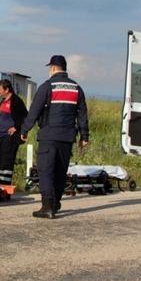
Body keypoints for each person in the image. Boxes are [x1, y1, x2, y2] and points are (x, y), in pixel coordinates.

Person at [20, 55, 89, 219]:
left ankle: (47, 206)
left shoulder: (47, 86)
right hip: (67, 137)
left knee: (46, 171)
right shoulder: (76, 88)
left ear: (52, 68)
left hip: (49, 136)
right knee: (60, 171)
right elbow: (82, 114)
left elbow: (34, 111)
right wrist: (84, 136)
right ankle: (56, 203)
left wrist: (24, 130)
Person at [0, 79, 29, 193]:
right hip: (2, 136)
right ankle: (1, 186)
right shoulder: (3, 101)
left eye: (0, 89)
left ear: (7, 89)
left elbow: (25, 117)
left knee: (7, 161)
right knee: (0, 161)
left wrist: (17, 127)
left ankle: (6, 188)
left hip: (10, 137)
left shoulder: (16, 101)